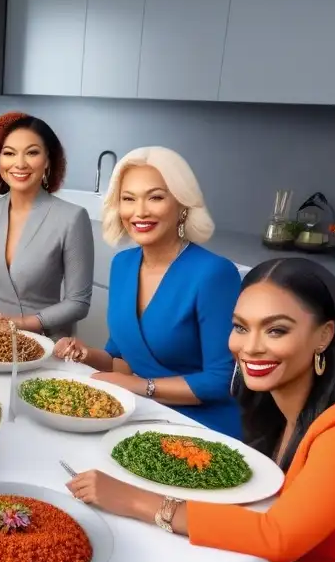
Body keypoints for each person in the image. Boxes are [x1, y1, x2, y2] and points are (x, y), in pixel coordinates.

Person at [66, 258, 335, 562]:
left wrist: (139, 500)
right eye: (240, 326)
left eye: (277, 330)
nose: (250, 347)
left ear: (324, 335)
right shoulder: (278, 411)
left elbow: (279, 537)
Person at [53, 146, 242, 438]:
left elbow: (223, 381)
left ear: (182, 204)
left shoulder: (214, 274)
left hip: (203, 428)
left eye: (155, 197)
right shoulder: (123, 265)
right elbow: (122, 358)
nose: (139, 211)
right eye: (128, 199)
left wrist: (143, 387)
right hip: (142, 412)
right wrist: (85, 353)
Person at [0, 112, 94, 340]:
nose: (19, 163)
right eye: (9, 153)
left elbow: (78, 303)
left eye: (32, 152)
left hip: (46, 341)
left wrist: (20, 323)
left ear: (48, 159)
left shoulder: (72, 218)